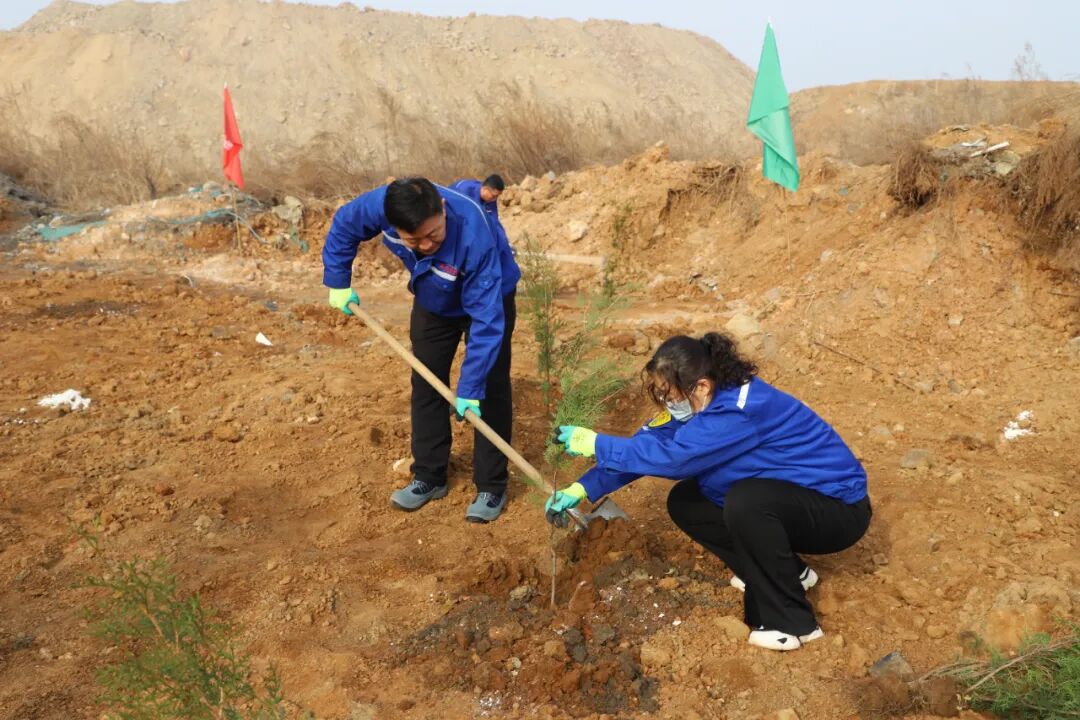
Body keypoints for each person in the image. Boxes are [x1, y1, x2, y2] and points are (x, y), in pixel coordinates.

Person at [545, 332, 871, 651]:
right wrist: (582, 487)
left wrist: (598, 443)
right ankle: (790, 574)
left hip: (836, 511)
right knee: (688, 502)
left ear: (700, 385)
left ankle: (794, 623)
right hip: (790, 500)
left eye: (670, 396)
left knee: (747, 504)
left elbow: (674, 460)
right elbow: (648, 447)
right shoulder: (700, 401)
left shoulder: (740, 409)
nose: (668, 404)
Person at [322, 177, 521, 523]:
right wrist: (338, 282)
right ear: (392, 223)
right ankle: (429, 476)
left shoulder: (474, 236)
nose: (427, 244)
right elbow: (344, 225)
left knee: (489, 389)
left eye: (434, 234)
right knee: (427, 383)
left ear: (442, 209)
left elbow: (487, 323)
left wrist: (470, 388)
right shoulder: (380, 205)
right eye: (415, 239)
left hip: (490, 297)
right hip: (434, 298)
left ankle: (491, 485)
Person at [449, 174, 509, 255]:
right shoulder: (464, 190)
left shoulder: (490, 200)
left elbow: (494, 222)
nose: (495, 199)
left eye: (497, 196)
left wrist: (504, 242)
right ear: (485, 189)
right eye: (494, 196)